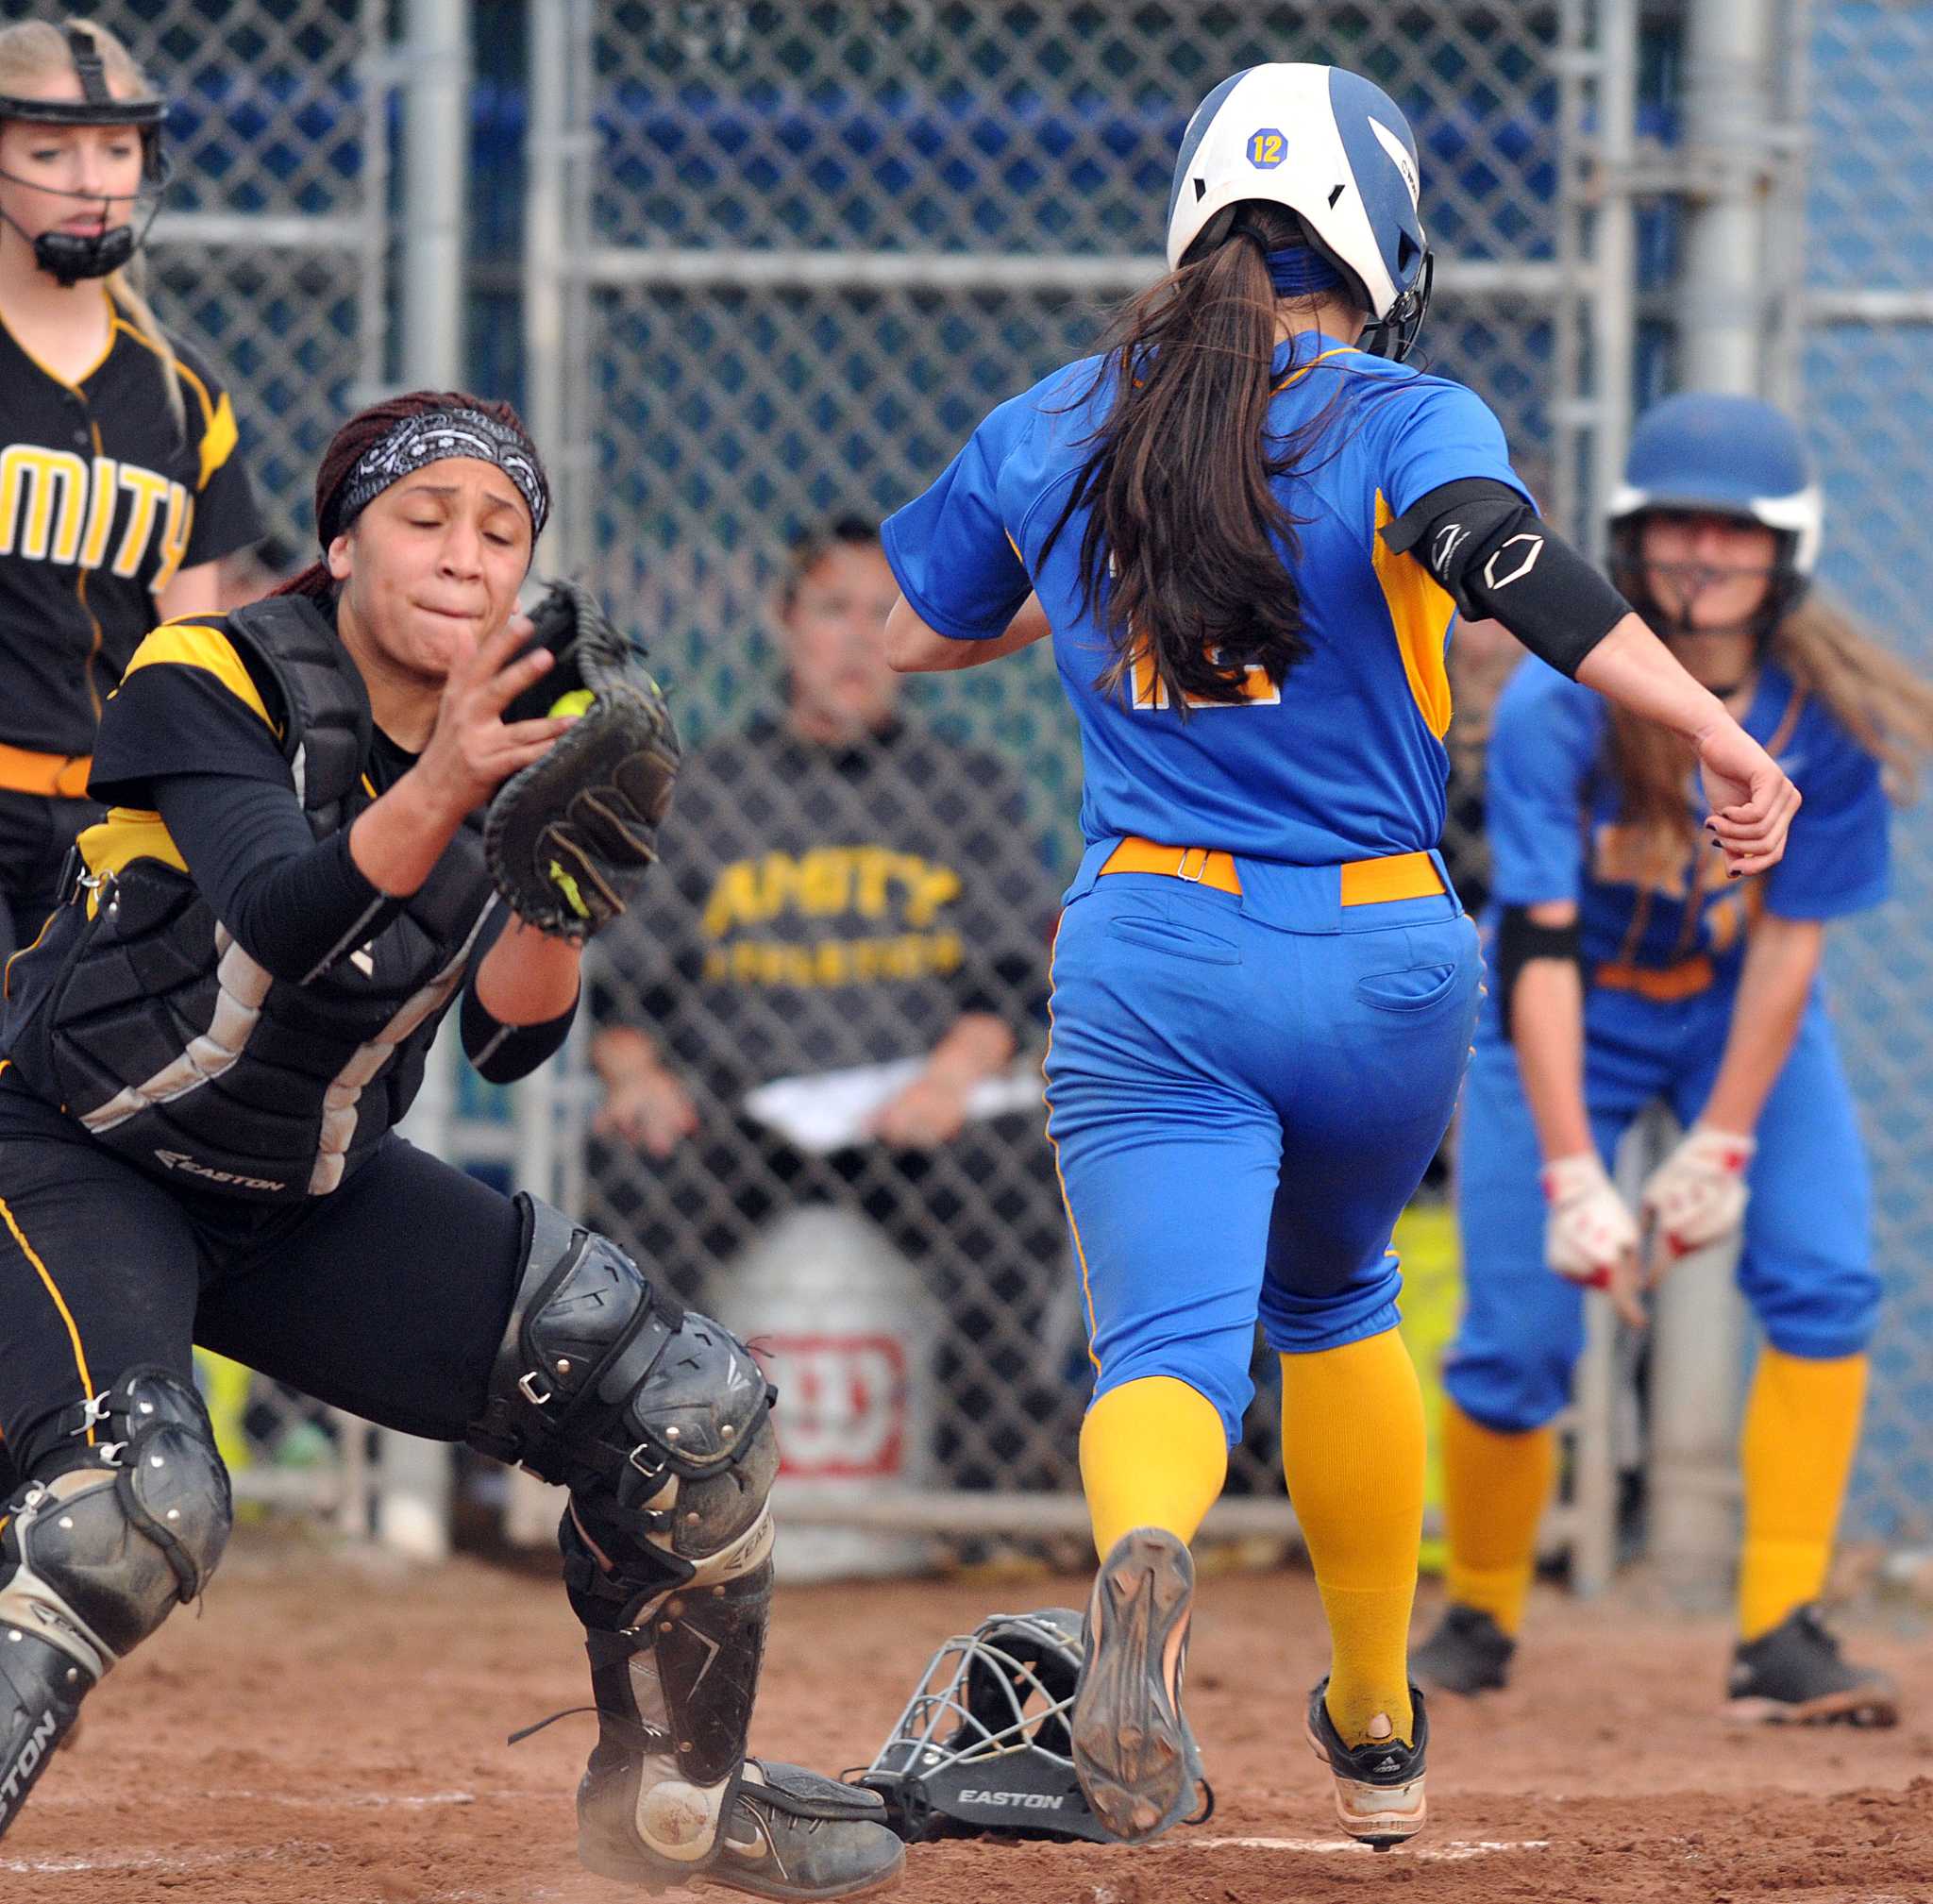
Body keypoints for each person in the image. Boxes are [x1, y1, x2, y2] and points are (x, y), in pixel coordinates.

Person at [878, 62, 1799, 1850]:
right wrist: (1708, 727)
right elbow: (1501, 556)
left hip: (1155, 938)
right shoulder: (1398, 407)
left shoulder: (1052, 422)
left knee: (1166, 1350)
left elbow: (927, 628)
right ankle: (1375, 1726)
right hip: (1381, 945)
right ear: (1373, 239)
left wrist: (1067, 613)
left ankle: (1139, 1566)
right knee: (1338, 1301)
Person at [0, 389, 904, 1901]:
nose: (464, 555)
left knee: (690, 1413)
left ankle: (673, 1810)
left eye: (502, 531)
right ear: (343, 544)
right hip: (71, 1154)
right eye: (423, 520)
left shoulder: (534, 726)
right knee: (133, 1506)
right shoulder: (209, 673)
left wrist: (561, 894)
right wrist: (451, 785)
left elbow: (509, 1036)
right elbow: (281, 916)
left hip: (302, 1191)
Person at [1416, 392, 1933, 1725]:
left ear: (1788, 552)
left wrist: (1722, 1145)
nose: (1702, 557)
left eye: (1735, 532)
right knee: (1517, 1337)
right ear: (1629, 544)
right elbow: (1530, 948)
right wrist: (1579, 1175)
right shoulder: (1558, 707)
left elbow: (1788, 949)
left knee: (1825, 1278)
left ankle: (1781, 1629)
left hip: (1727, 1012)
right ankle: (1477, 1608)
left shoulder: (1828, 714)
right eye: (1672, 527)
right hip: (1567, 1012)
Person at [587, 516, 1068, 1488]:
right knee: (631, 1178)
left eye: (882, 614)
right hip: (740, 1112)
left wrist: (951, 1078)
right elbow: (627, 988)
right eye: (831, 610)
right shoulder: (706, 789)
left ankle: (984, 1500)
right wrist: (637, 1077)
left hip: (912, 1115)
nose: (856, 638)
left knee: (1014, 1181)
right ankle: (638, 1482)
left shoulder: (962, 788)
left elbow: (1012, 980)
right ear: (782, 623)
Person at [0, 18, 262, 959]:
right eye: (49, 148)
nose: (90, 179)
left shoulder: (183, 395)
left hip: (101, 828)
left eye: (116, 149)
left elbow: (180, 657)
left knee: (70, 1096)